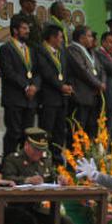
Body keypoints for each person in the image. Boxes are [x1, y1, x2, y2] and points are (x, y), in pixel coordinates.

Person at [1, 128, 94, 224]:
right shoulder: (13, 159)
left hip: (35, 207)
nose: (39, 153)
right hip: (16, 208)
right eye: (36, 149)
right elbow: (7, 179)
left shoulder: (45, 159)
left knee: (64, 221)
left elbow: (50, 176)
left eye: (41, 150)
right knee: (28, 219)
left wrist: (59, 179)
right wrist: (27, 180)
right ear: (26, 145)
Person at [0, 17, 40, 156]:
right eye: (24, 28)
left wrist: (34, 86)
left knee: (27, 136)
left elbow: (37, 72)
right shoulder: (6, 48)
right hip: (14, 98)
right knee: (14, 133)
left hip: (30, 100)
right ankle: (8, 164)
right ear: (15, 30)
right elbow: (8, 72)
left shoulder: (31, 50)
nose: (28, 31)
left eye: (28, 28)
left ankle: (23, 166)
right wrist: (26, 87)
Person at [36, 24, 73, 156]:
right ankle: (43, 159)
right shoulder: (40, 50)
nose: (62, 40)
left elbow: (66, 71)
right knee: (46, 131)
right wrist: (60, 86)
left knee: (59, 132)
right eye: (60, 37)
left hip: (62, 99)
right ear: (52, 38)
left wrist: (68, 85)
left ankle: (57, 162)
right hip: (48, 98)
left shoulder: (62, 52)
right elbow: (46, 72)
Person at [65, 25, 105, 139]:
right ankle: (75, 156)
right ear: (82, 38)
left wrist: (101, 82)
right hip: (80, 97)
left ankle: (87, 155)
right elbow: (82, 70)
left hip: (92, 97)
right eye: (89, 36)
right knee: (77, 130)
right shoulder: (73, 49)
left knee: (90, 131)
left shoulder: (90, 51)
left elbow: (100, 69)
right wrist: (98, 84)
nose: (92, 39)